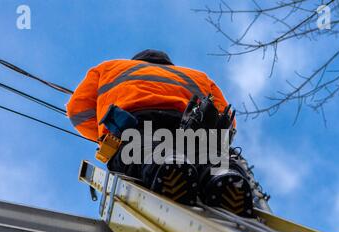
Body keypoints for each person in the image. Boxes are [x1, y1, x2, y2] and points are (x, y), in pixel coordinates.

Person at [67, 49, 254, 217]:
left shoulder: (109, 68)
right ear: (168, 63)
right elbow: (226, 117)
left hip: (139, 126)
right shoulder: (199, 77)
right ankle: (224, 177)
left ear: (137, 60)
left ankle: (169, 167)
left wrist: (104, 135)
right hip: (194, 127)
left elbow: (77, 111)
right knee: (211, 155)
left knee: (146, 150)